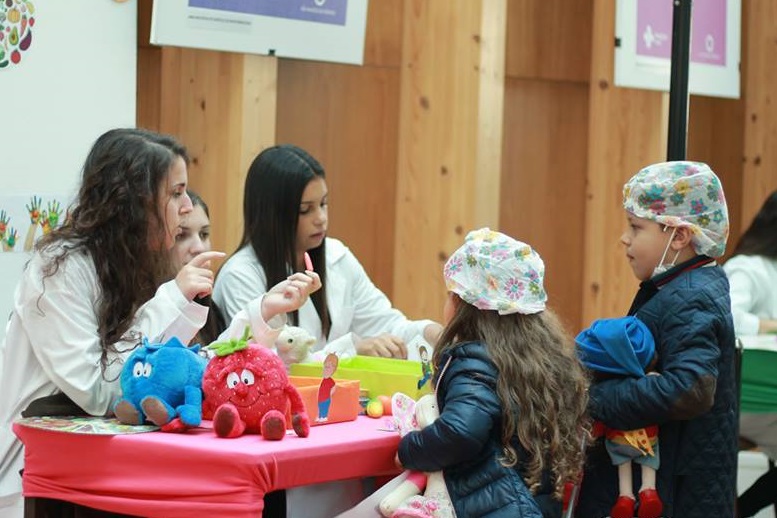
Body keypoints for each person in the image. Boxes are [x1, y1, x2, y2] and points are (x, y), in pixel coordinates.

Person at [0, 129, 320, 517]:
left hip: (114, 468)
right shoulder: (60, 268)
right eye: (176, 193)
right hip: (40, 481)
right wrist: (172, 299)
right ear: (134, 200)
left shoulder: (140, 260)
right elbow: (99, 391)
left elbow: (188, 370)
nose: (186, 206)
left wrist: (260, 312)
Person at [212, 144, 442, 517]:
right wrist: (353, 349)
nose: (321, 219)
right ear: (273, 213)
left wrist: (431, 331)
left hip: (338, 430)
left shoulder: (336, 256)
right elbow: (268, 371)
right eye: (306, 210)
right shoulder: (242, 274)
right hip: (283, 441)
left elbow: (388, 322)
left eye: (324, 204)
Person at [576, 161, 738, 518]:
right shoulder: (677, 288)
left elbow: (690, 388)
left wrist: (595, 397)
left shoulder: (692, 297)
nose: (625, 238)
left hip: (676, 491)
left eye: (636, 227)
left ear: (679, 237)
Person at [395, 228, 590, 517]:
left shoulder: (474, 361)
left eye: (450, 295)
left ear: (462, 304)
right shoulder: (540, 358)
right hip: (533, 504)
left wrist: (410, 450)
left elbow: (460, 431)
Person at [722, 190, 777, 517]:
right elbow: (726, 317)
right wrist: (770, 326)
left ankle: (741, 509)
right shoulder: (748, 267)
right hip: (746, 399)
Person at [575, 316, 662, 518]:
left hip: (616, 445)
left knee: (622, 466)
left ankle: (626, 497)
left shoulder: (596, 398)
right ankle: (649, 491)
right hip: (648, 439)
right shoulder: (654, 389)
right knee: (650, 460)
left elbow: (593, 431)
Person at [171, 190, 226, 345]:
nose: (199, 248)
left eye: (204, 234)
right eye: (181, 235)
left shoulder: (211, 311)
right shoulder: (141, 313)